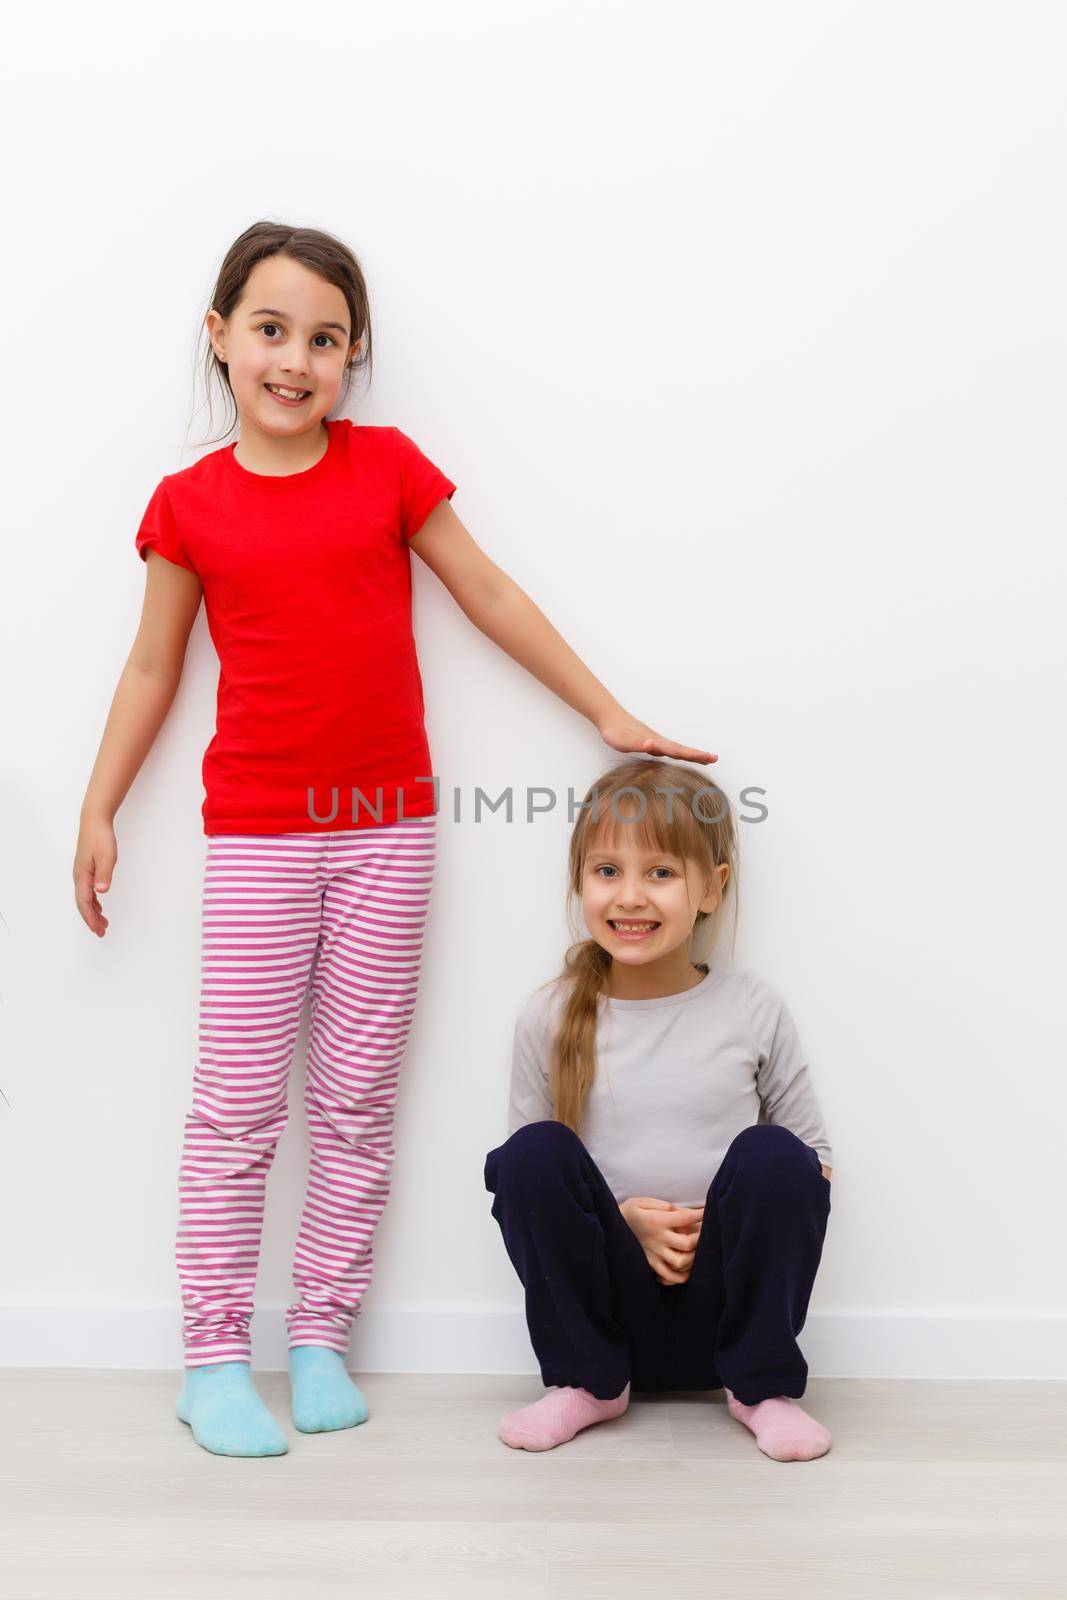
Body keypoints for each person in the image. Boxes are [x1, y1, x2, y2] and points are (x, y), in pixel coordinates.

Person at [72, 220, 716, 1458]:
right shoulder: (188, 503)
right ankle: (212, 1354)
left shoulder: (387, 470)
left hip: (389, 833)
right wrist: (102, 805)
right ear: (220, 339)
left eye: (324, 338)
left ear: (353, 354)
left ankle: (318, 1333)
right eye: (270, 330)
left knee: (359, 1099)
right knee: (239, 1103)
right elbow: (152, 666)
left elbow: (486, 593)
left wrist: (602, 709)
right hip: (260, 837)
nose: (295, 359)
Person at [485, 756, 835, 1462]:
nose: (631, 897)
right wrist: (624, 1222)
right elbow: (530, 1192)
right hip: (610, 1313)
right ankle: (586, 1385)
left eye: (661, 873)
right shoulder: (548, 1015)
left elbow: (814, 1168)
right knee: (527, 1155)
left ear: (712, 888)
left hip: (723, 1303)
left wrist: (711, 1227)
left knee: (777, 1156)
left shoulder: (751, 1008)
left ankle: (762, 1389)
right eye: (606, 872)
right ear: (579, 883)